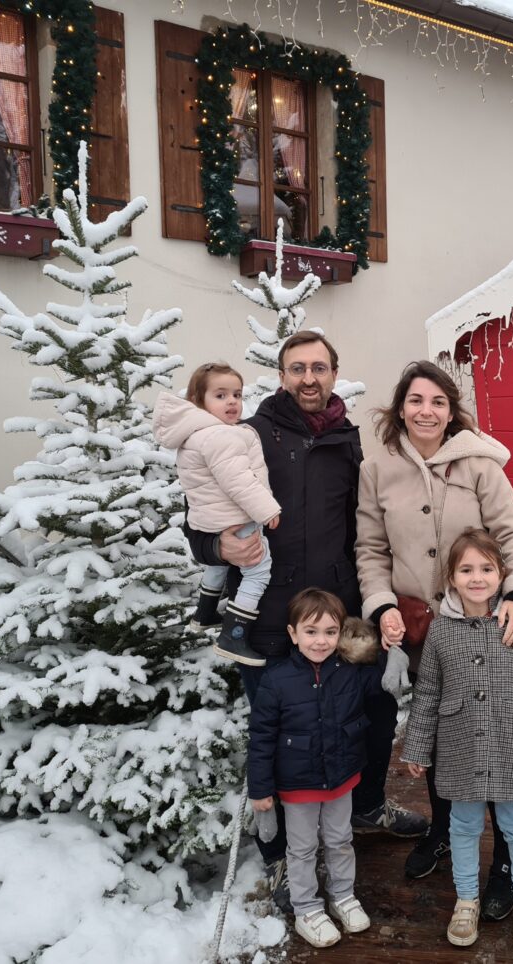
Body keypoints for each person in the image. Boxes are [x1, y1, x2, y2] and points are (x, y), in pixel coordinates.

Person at [184, 332, 426, 913]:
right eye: (298, 369)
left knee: (374, 712)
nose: (310, 378)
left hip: (342, 614)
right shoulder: (249, 436)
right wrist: (218, 546)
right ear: (282, 374)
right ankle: (276, 858)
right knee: (279, 735)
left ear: (336, 373)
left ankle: (365, 806)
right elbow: (200, 512)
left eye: (320, 367)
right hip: (272, 617)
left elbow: (363, 523)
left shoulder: (347, 439)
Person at [355, 359, 513, 918]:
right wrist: (382, 604)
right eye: (416, 401)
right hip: (419, 627)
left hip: (489, 621)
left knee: (505, 730)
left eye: (437, 402)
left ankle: (506, 860)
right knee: (439, 729)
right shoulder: (378, 468)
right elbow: (371, 549)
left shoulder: (481, 465)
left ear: (451, 410)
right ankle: (441, 829)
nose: (426, 411)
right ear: (400, 408)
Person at [401, 528, 513, 951]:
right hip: (459, 748)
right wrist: (419, 747)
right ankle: (466, 900)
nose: (477, 578)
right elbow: (428, 694)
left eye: (486, 569)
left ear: (502, 574)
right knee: (462, 827)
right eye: (466, 569)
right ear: (451, 578)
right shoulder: (440, 631)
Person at [248, 589, 383, 947]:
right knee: (302, 847)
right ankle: (307, 906)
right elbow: (261, 737)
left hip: (341, 777)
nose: (321, 641)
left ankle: (343, 895)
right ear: (293, 634)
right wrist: (260, 789)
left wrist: (390, 653)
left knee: (340, 840)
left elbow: (382, 682)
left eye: (329, 632)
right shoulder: (276, 680)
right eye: (311, 631)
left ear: (341, 634)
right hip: (298, 784)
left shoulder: (350, 672)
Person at [152, 363, 281, 665]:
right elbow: (239, 481)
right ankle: (233, 636)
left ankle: (205, 612)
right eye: (221, 395)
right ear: (199, 401)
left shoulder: (196, 435)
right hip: (233, 517)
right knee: (258, 569)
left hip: (209, 519)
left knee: (220, 565)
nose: (233, 401)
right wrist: (267, 510)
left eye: (236, 393)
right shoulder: (220, 436)